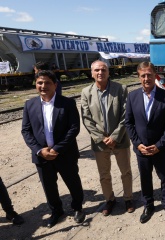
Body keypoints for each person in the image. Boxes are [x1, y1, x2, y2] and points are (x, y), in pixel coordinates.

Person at [21, 70, 86, 228]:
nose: (43, 86)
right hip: (42, 156)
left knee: (73, 182)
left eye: (47, 83)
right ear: (36, 85)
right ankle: (56, 211)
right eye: (40, 83)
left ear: (55, 85)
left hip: (65, 154)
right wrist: (39, 150)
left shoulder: (67, 103)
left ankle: (77, 207)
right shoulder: (30, 105)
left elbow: (74, 128)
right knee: (49, 187)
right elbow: (26, 131)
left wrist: (57, 148)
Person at [81, 60, 134, 216]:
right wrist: (101, 138)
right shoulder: (86, 92)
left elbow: (126, 115)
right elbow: (86, 118)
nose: (100, 73)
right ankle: (109, 200)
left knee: (126, 171)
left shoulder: (121, 89)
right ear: (91, 73)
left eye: (103, 70)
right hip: (100, 142)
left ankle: (128, 198)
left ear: (108, 72)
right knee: (104, 174)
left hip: (120, 138)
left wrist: (115, 136)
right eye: (97, 70)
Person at [125, 62, 165, 223]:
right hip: (142, 149)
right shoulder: (132, 96)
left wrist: (159, 145)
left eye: (149, 75)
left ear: (155, 75)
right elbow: (129, 123)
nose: (146, 78)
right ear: (139, 77)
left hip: (161, 148)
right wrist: (137, 143)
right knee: (145, 178)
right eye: (143, 75)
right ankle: (149, 205)